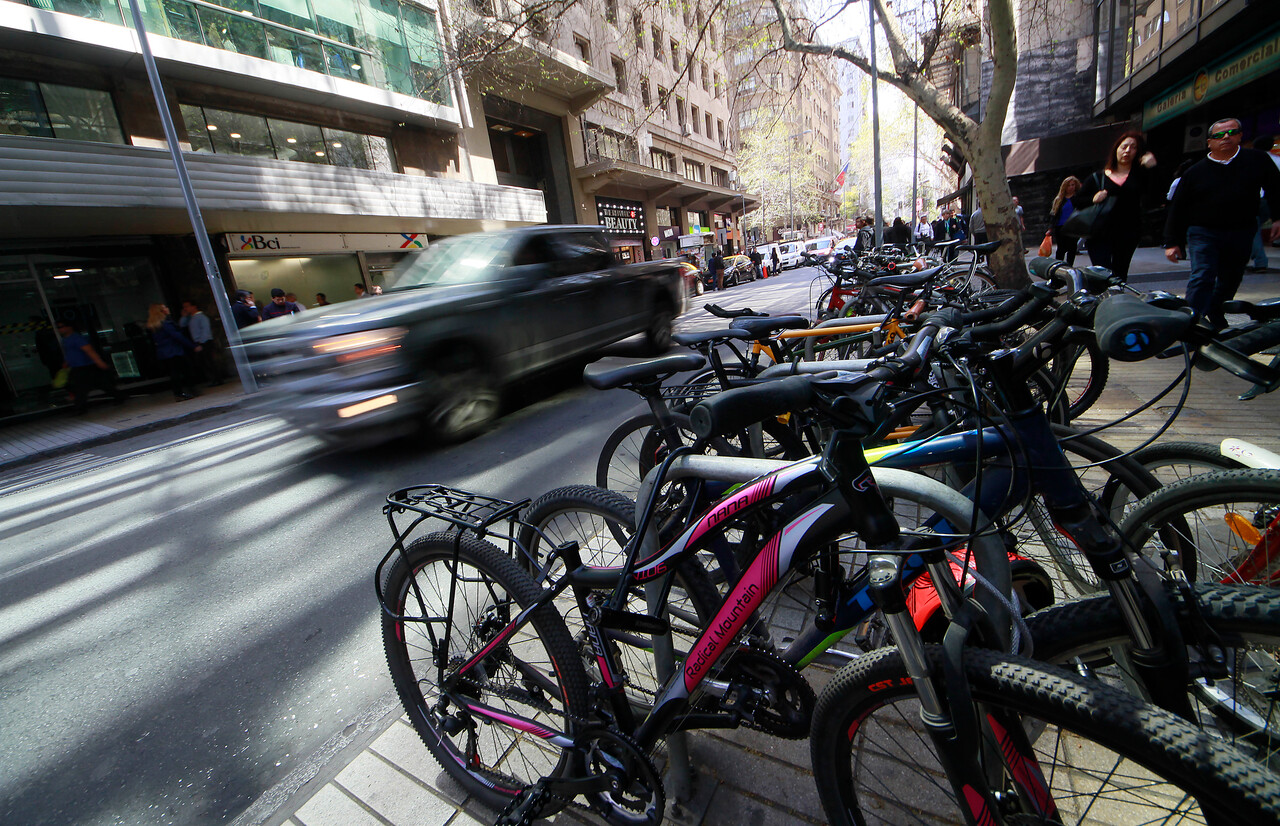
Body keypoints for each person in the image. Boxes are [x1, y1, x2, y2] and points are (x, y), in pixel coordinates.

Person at [1164, 117, 1280, 328]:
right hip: (1203, 231)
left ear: (1240, 136)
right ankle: (1191, 323)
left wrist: (1278, 218)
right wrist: (1173, 242)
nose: (1225, 137)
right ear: (1209, 142)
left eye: (1231, 132)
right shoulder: (1194, 172)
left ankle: (1215, 309)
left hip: (1242, 230)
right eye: (1219, 135)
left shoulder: (1257, 160)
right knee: (1203, 275)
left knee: (1231, 278)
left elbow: (1275, 189)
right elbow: (1178, 208)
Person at [1073, 130, 1157, 282]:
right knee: (1102, 274)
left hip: (1128, 232)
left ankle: (1116, 302)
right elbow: (1077, 200)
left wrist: (1151, 168)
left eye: (1133, 147)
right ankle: (1103, 302)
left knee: (1120, 274)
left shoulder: (1140, 176)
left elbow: (1155, 196)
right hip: (1099, 233)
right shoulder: (1097, 177)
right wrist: (1093, 198)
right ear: (1116, 148)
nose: (1127, 151)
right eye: (1124, 146)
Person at [57, 319, 125, 413]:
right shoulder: (67, 340)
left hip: (85, 366)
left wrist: (99, 362)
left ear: (69, 327)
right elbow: (71, 353)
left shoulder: (76, 338)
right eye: (58, 327)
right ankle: (118, 396)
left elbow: (89, 350)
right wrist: (67, 362)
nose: (60, 329)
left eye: (61, 326)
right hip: (80, 366)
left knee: (81, 387)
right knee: (98, 384)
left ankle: (80, 407)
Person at [145, 303, 200, 401]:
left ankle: (180, 392)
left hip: (165, 352)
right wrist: (192, 346)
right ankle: (184, 391)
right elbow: (177, 336)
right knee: (184, 370)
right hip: (174, 350)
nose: (167, 308)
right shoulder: (166, 324)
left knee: (175, 372)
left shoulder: (155, 326)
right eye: (165, 307)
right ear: (161, 311)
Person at [181, 300, 223, 386]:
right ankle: (213, 378)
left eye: (187, 306)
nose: (185, 309)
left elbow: (205, 330)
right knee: (203, 362)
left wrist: (201, 342)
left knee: (208, 361)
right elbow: (182, 324)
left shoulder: (202, 317)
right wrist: (184, 316)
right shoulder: (190, 318)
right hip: (198, 342)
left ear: (194, 306)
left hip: (205, 342)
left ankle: (216, 378)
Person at [1249, 136, 1275, 272]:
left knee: (1253, 229)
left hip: (1256, 198)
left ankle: (1260, 261)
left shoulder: (1251, 159)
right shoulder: (1278, 159)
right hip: (1272, 201)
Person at [1049, 176, 1082, 266]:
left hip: (1073, 226)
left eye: (1073, 185)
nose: (1071, 187)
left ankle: (1069, 266)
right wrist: (1050, 228)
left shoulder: (1078, 197)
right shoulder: (1059, 199)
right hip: (1060, 226)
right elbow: (1054, 214)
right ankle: (1058, 266)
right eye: (1069, 185)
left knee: (1072, 248)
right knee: (1061, 248)